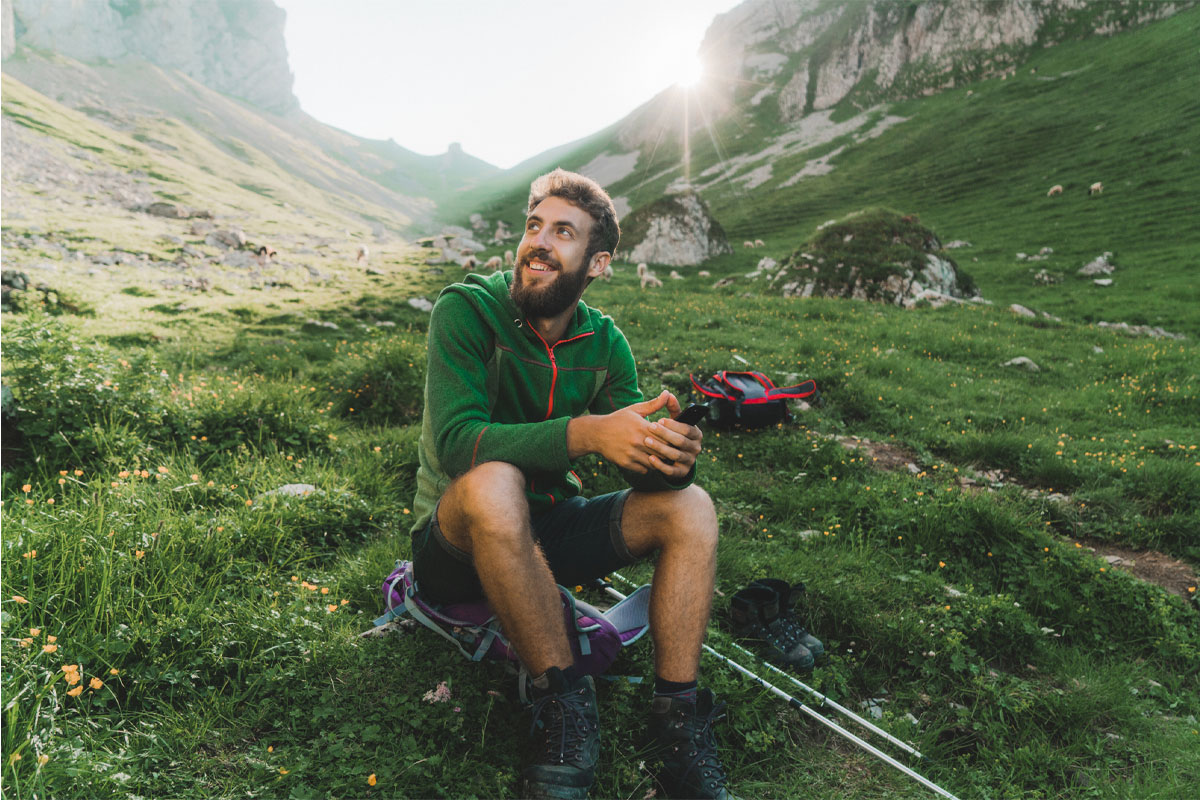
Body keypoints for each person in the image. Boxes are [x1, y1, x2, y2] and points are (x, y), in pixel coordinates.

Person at [409, 168, 735, 799]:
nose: (539, 241)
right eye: (534, 225)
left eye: (563, 232)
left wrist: (670, 455)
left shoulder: (606, 342)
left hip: (544, 536)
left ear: (598, 262)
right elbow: (457, 444)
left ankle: (678, 724)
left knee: (691, 507)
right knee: (494, 479)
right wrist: (586, 433)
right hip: (454, 542)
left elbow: (635, 459)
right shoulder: (466, 311)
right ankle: (563, 702)